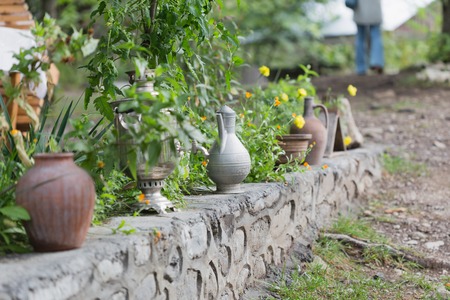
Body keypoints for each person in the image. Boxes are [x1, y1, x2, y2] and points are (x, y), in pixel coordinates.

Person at [350, 0, 384, 75]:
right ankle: (376, 62)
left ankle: (360, 68)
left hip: (360, 9)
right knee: (376, 36)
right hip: (374, 9)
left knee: (360, 38)